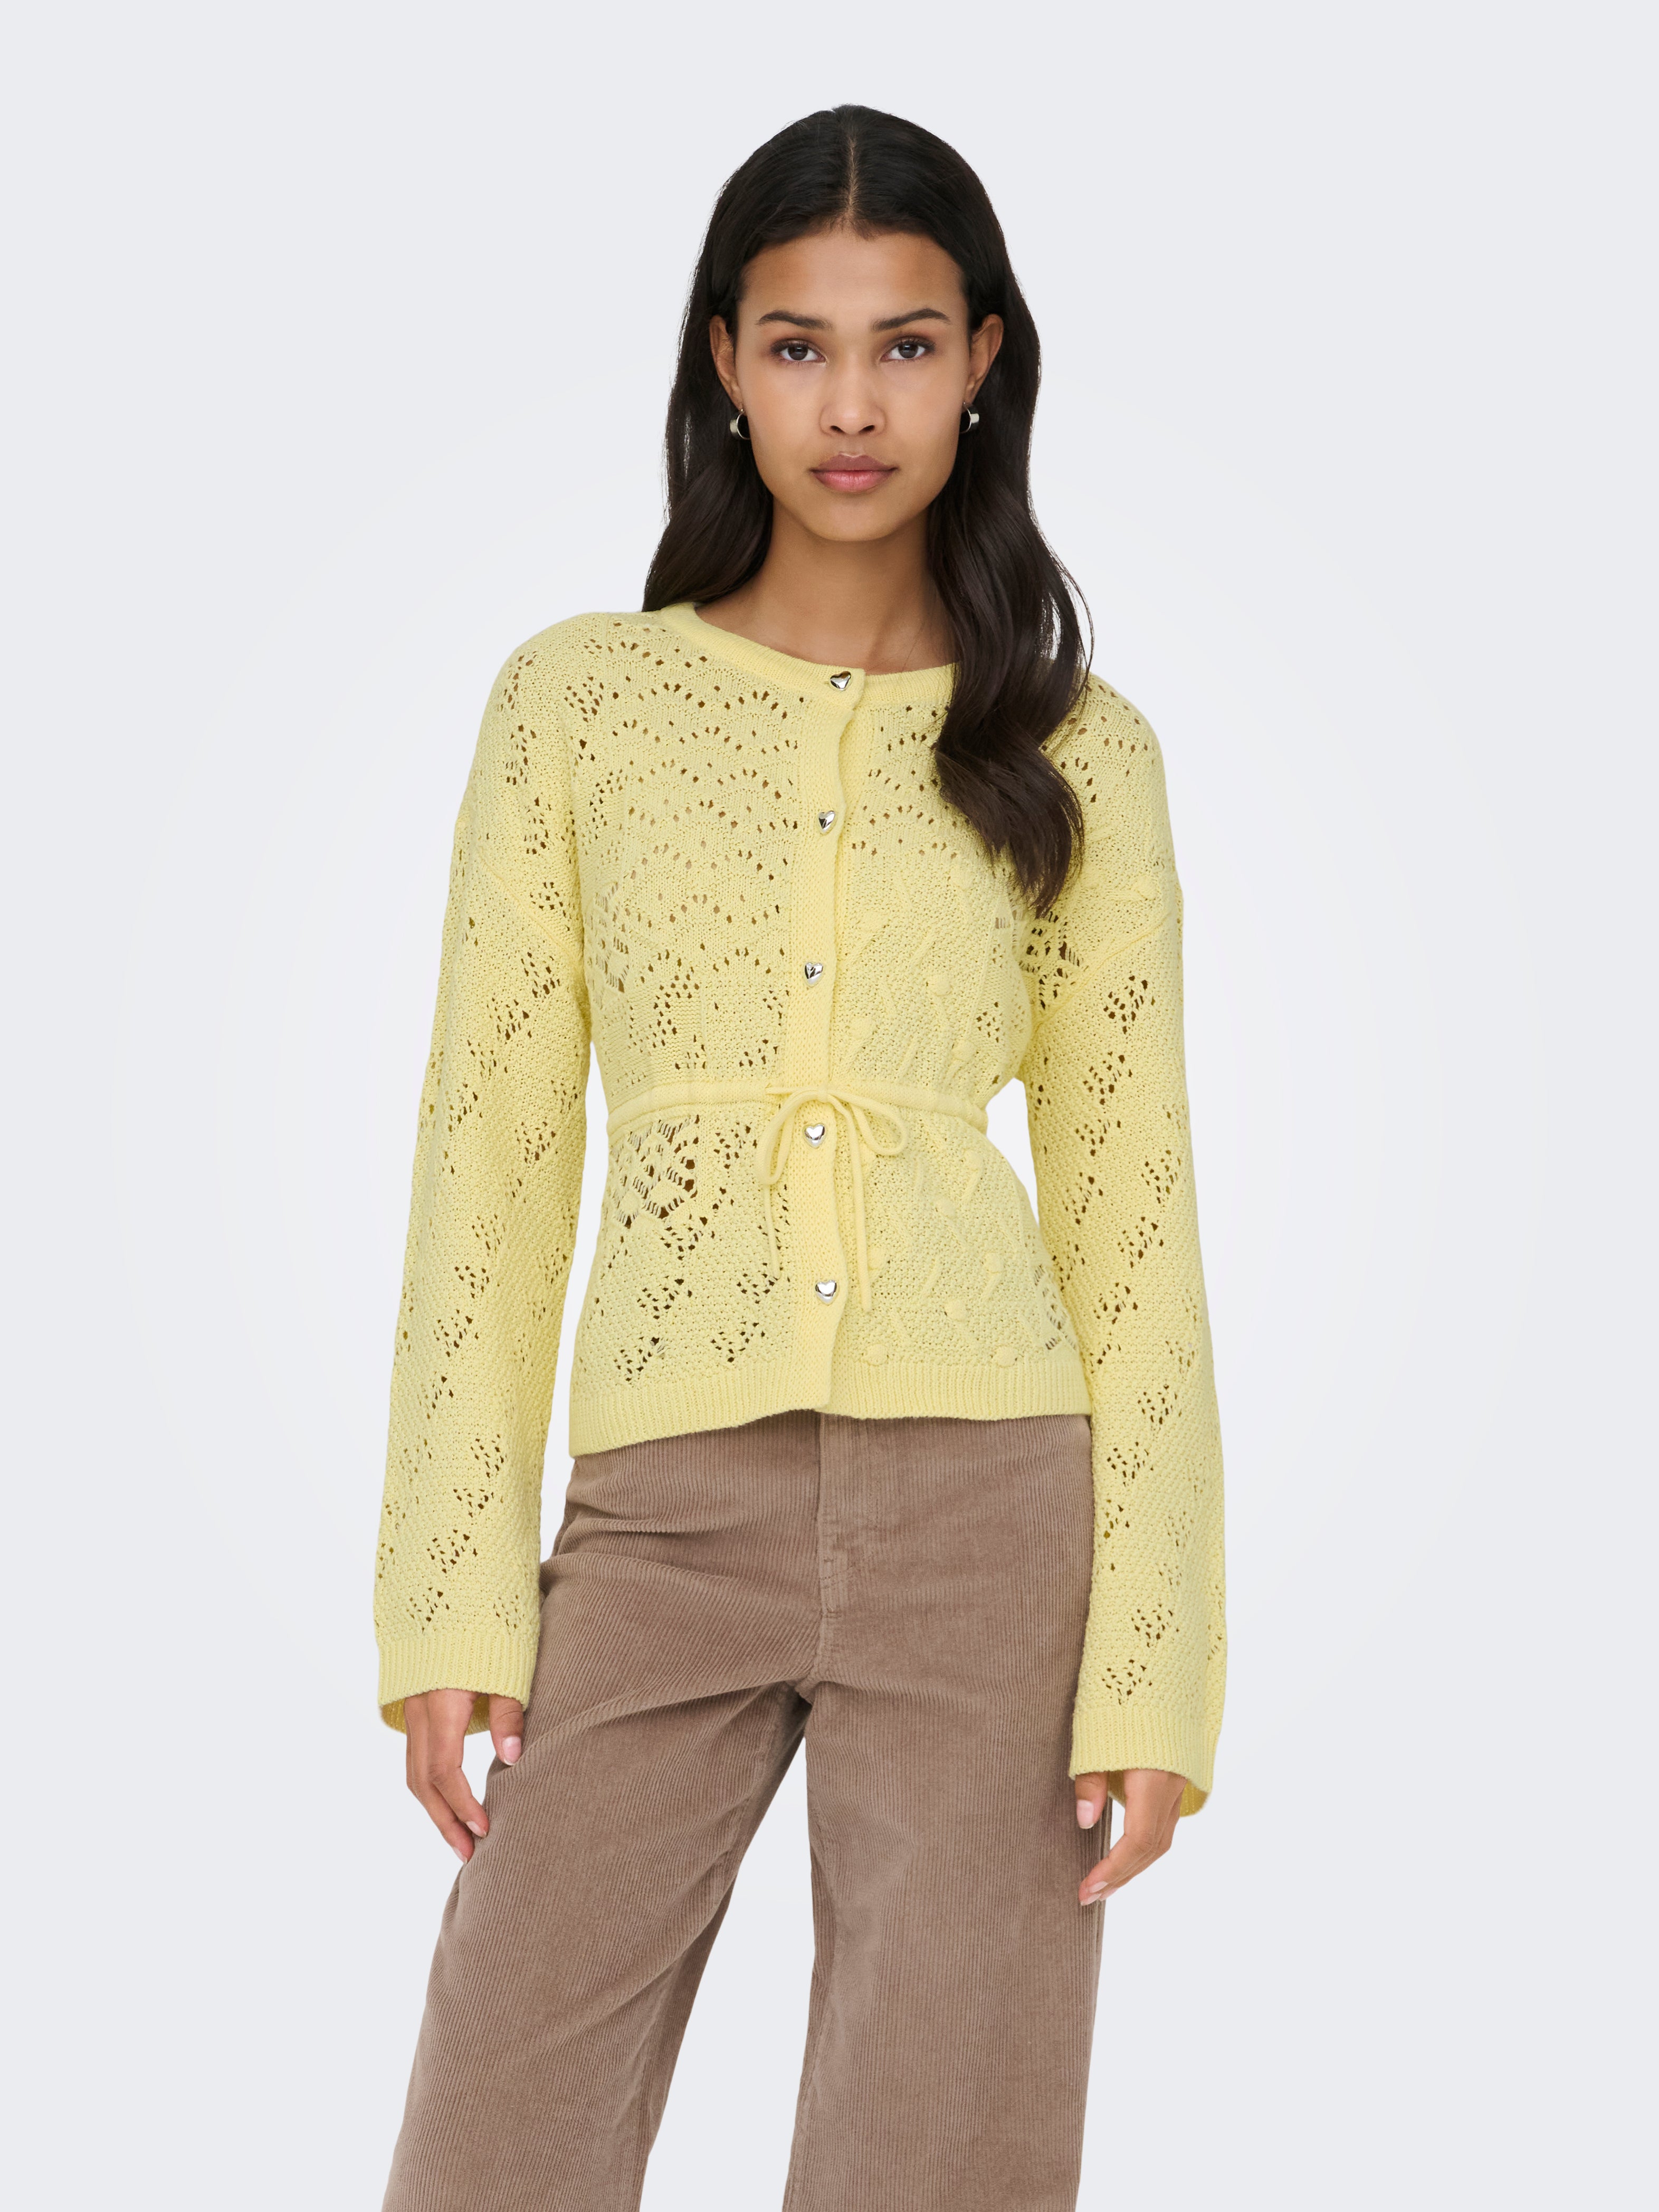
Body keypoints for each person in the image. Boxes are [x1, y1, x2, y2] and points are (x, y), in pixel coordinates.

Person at [375, 103, 1225, 2212]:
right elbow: (492, 1161)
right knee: (497, 2136)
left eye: (907, 346)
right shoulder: (580, 708)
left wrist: (1155, 1656)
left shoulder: (1080, 749)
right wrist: (450, 1591)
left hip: (995, 1517)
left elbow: (1135, 1221)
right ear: (725, 365)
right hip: (663, 1509)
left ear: (985, 361)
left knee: (940, 2158)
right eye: (800, 345)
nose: (854, 405)